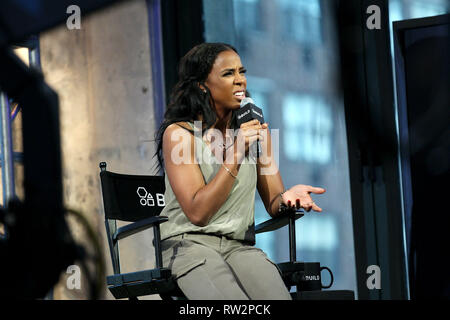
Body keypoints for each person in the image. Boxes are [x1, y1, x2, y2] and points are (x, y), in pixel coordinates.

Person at [154, 42, 325, 300]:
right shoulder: (179, 134)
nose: (240, 81)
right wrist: (237, 151)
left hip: (239, 247)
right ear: (202, 84)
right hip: (189, 244)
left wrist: (289, 198)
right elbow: (198, 213)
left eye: (241, 72)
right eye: (228, 74)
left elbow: (274, 202)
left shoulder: (257, 132)